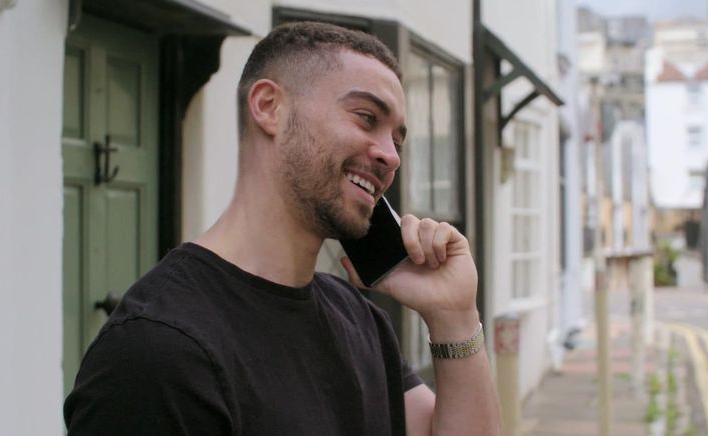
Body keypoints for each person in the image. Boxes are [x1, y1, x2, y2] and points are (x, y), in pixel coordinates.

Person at [64, 21, 502, 435]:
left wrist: (454, 317)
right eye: (367, 118)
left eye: (397, 139)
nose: (390, 155)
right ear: (269, 107)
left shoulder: (358, 318)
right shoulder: (156, 350)